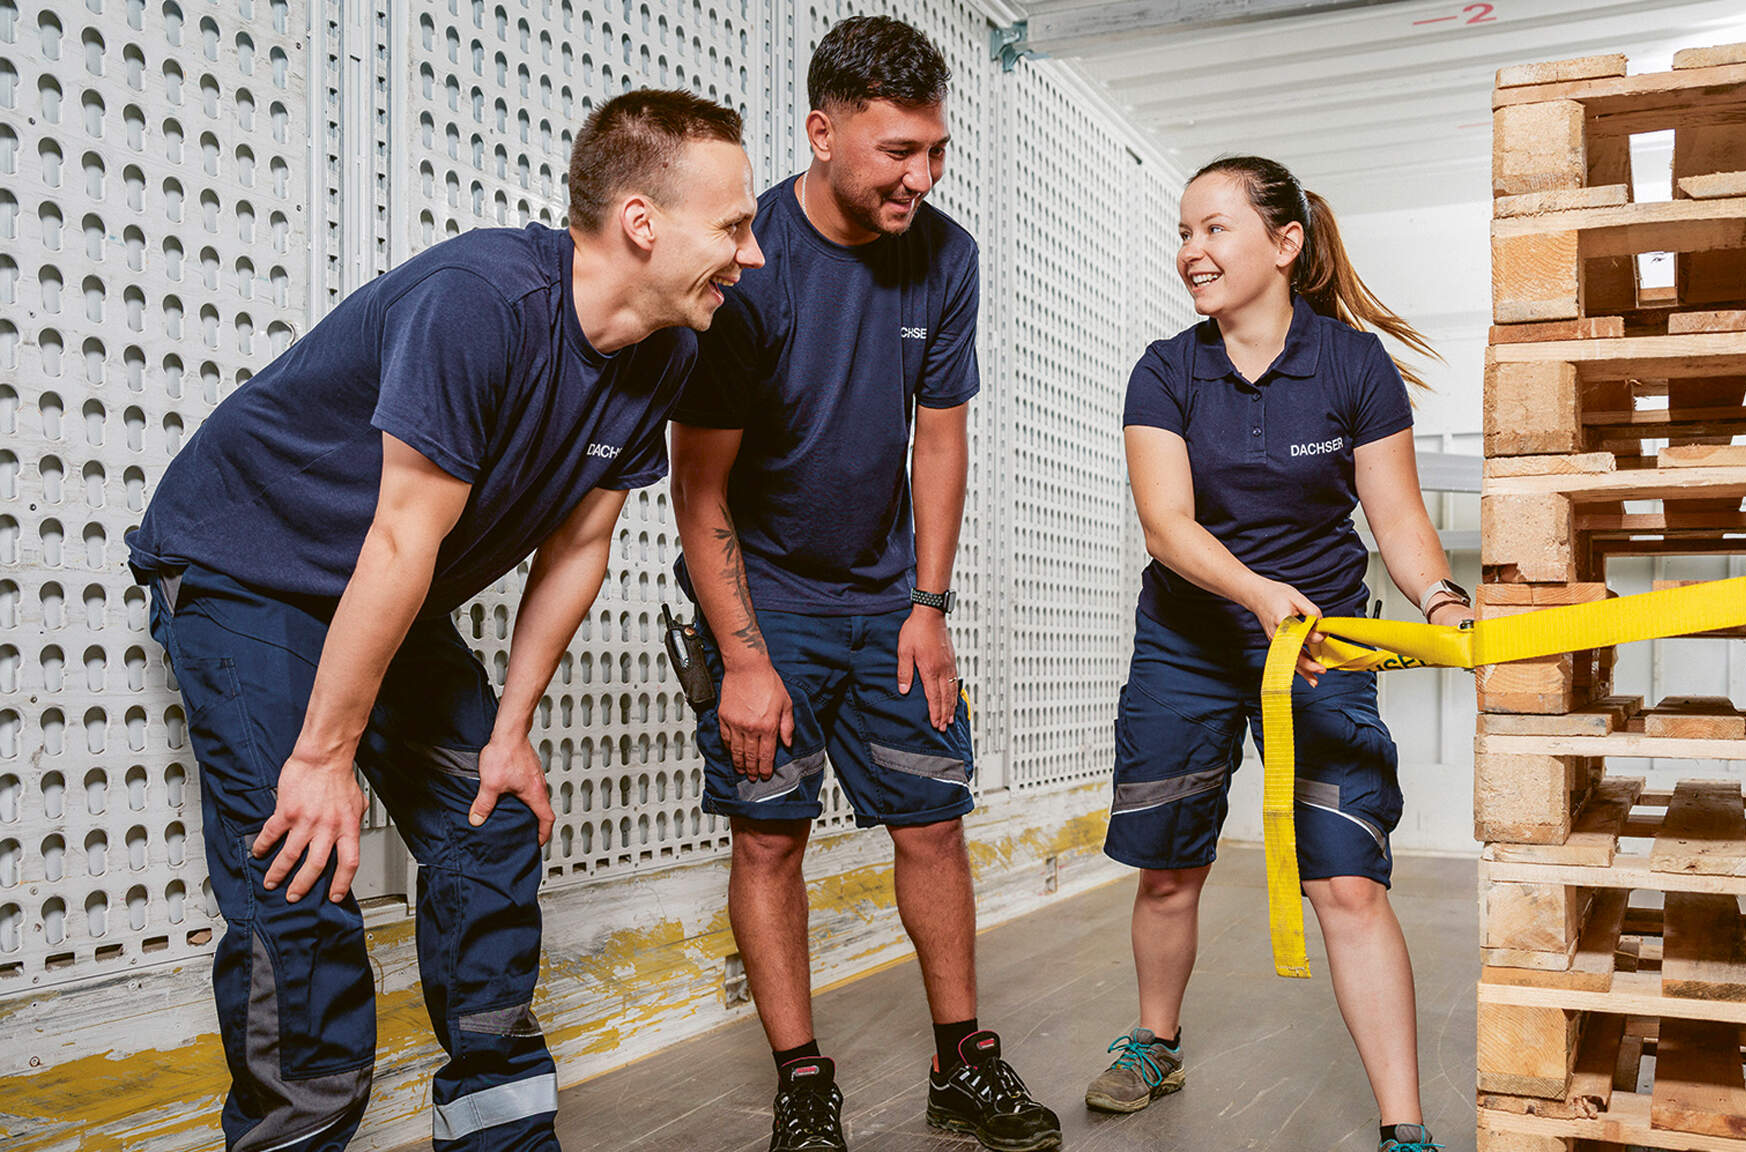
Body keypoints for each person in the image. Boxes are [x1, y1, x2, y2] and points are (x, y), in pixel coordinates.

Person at [125, 90, 763, 1152]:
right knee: (298, 864)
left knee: (490, 817)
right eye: (734, 225)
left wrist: (508, 733)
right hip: (250, 565)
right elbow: (399, 540)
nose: (749, 254)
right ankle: (297, 1134)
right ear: (643, 221)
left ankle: (501, 1134)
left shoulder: (668, 350)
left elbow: (578, 547)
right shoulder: (480, 300)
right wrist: (323, 754)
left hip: (381, 588)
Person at [668, 16, 1060, 1152]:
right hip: (768, 600)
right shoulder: (749, 265)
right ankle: (801, 1081)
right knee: (768, 838)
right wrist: (742, 656)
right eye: (897, 151)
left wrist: (927, 607)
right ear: (822, 131)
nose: (920, 176)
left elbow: (940, 442)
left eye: (934, 150)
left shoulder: (946, 255)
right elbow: (698, 487)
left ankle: (961, 1064)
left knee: (932, 823)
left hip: (888, 598)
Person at [1083, 155, 1468, 1152]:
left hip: (1322, 650)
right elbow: (1166, 525)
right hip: (1187, 645)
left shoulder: (1352, 367)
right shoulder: (1164, 371)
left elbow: (1397, 519)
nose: (1189, 252)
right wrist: (1255, 594)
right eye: (1183, 232)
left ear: (1283, 244)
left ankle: (1404, 1127)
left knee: (1347, 880)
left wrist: (1439, 595)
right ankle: (1153, 1043)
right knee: (1168, 870)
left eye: (1212, 230)